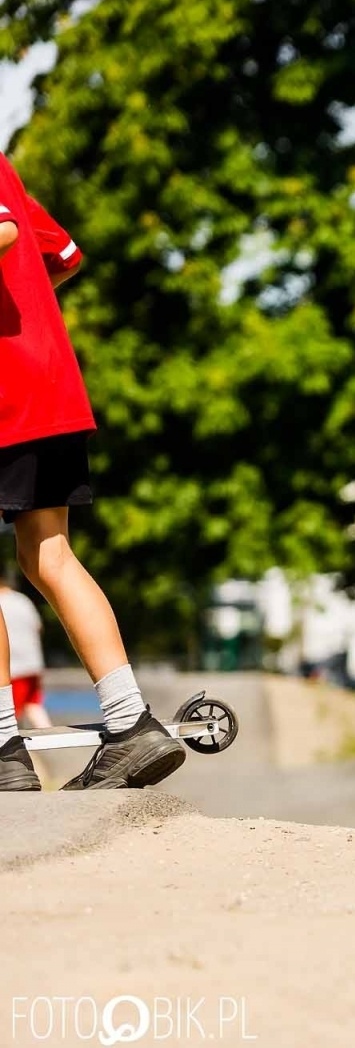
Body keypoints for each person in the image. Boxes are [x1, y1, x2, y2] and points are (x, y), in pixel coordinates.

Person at [0, 152, 186, 792]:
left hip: (6, 396)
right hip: (48, 384)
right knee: (48, 555)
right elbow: (64, 256)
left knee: (44, 557)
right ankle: (130, 722)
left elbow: (4, 230)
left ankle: (2, 751)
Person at [0, 574, 49, 730]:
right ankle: (51, 734)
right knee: (32, 704)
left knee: (9, 713)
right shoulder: (22, 600)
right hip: (33, 663)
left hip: (13, 668)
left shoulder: (2, 604)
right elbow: (38, 627)